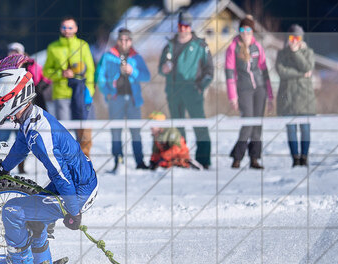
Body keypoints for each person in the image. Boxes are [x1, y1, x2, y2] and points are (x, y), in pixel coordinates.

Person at [0, 54, 98, 264]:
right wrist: (4, 168)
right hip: (75, 184)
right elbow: (21, 146)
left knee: (12, 211)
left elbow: (60, 174)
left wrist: (73, 211)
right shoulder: (30, 119)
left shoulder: (39, 133)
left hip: (77, 191)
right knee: (33, 215)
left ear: (11, 97)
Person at [158, 11, 214, 168]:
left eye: (186, 26)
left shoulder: (200, 46)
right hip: (173, 92)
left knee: (199, 125)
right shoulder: (169, 46)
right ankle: (181, 157)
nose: (183, 29)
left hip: (192, 91)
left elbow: (209, 71)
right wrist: (164, 69)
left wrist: (200, 87)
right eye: (180, 26)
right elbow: (160, 69)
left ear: (190, 27)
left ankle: (204, 159)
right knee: (177, 127)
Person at [96, 28, 151, 172]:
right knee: (116, 131)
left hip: (133, 99)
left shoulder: (136, 57)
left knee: (136, 131)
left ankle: (139, 161)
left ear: (131, 41)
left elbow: (146, 76)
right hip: (116, 99)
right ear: (117, 41)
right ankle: (118, 161)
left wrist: (133, 71)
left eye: (127, 40)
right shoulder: (108, 56)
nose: (124, 42)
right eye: (121, 39)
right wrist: (107, 92)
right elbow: (100, 77)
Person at [225, 16, 273, 169]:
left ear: (252, 32)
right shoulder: (233, 48)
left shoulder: (257, 47)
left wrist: (270, 95)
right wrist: (232, 96)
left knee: (257, 124)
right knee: (248, 122)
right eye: (242, 30)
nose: (245, 33)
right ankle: (237, 158)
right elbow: (230, 74)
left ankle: (254, 158)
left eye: (248, 30)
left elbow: (265, 72)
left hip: (259, 89)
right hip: (244, 89)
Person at [42, 17, 95, 157]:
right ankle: (68, 159)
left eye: (70, 27)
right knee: (63, 130)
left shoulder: (83, 45)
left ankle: (85, 158)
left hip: (81, 94)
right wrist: (61, 74)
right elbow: (46, 71)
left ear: (76, 29)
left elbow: (90, 70)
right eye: (64, 27)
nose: (67, 30)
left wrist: (89, 90)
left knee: (84, 128)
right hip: (61, 94)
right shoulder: (53, 47)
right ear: (61, 29)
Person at [276, 24, 315, 167]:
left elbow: (307, 67)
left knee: (305, 128)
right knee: (291, 129)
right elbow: (281, 72)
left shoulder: (308, 52)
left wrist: (296, 52)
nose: (294, 41)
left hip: (305, 97)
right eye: (291, 37)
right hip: (287, 97)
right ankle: (295, 158)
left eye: (297, 38)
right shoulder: (282, 54)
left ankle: (304, 157)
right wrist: (300, 75)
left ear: (301, 38)